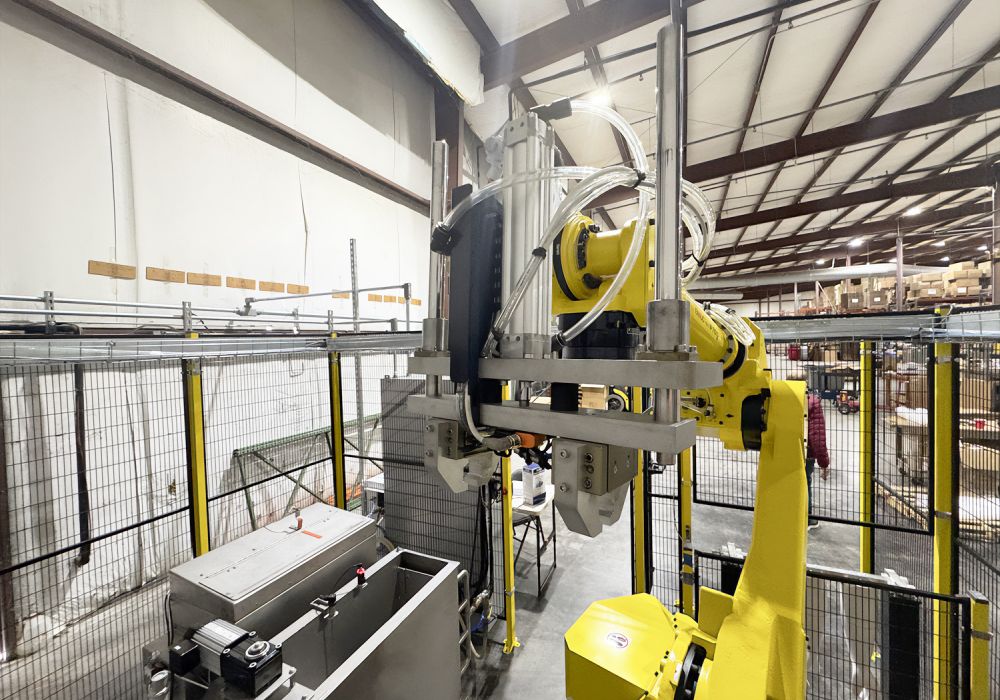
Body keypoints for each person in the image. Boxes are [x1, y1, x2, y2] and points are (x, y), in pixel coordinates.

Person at [788, 372, 830, 530]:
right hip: (806, 453)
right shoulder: (812, 403)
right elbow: (817, 435)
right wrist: (823, 461)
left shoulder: (780, 401)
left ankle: (789, 513)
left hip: (785, 450)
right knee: (805, 482)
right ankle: (807, 517)